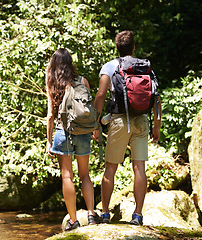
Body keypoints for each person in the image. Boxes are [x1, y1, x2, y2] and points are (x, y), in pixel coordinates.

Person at [92, 30, 162, 225]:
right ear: (133, 47)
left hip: (119, 121)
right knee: (139, 167)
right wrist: (157, 125)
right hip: (141, 120)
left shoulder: (110, 66)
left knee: (110, 168)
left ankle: (105, 213)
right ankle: (138, 215)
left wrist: (95, 124)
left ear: (117, 48)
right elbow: (156, 98)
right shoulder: (144, 67)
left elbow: (100, 95)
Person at [46, 48, 100, 231]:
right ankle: (92, 214)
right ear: (70, 63)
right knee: (85, 174)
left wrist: (48, 141)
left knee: (67, 176)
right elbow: (90, 108)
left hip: (63, 133)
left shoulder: (53, 83)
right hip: (83, 133)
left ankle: (73, 220)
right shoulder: (82, 80)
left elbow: (50, 116)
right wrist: (95, 129)